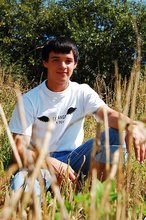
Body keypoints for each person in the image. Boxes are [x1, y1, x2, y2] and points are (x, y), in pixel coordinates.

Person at [9, 37, 146, 196]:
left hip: (75, 159)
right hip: (39, 162)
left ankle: (93, 194)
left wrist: (132, 126)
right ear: (45, 62)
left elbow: (108, 114)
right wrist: (49, 162)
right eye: (56, 60)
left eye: (68, 61)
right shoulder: (29, 100)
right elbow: (19, 148)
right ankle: (53, 189)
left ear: (75, 64)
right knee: (20, 191)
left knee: (118, 133)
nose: (62, 66)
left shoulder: (82, 92)